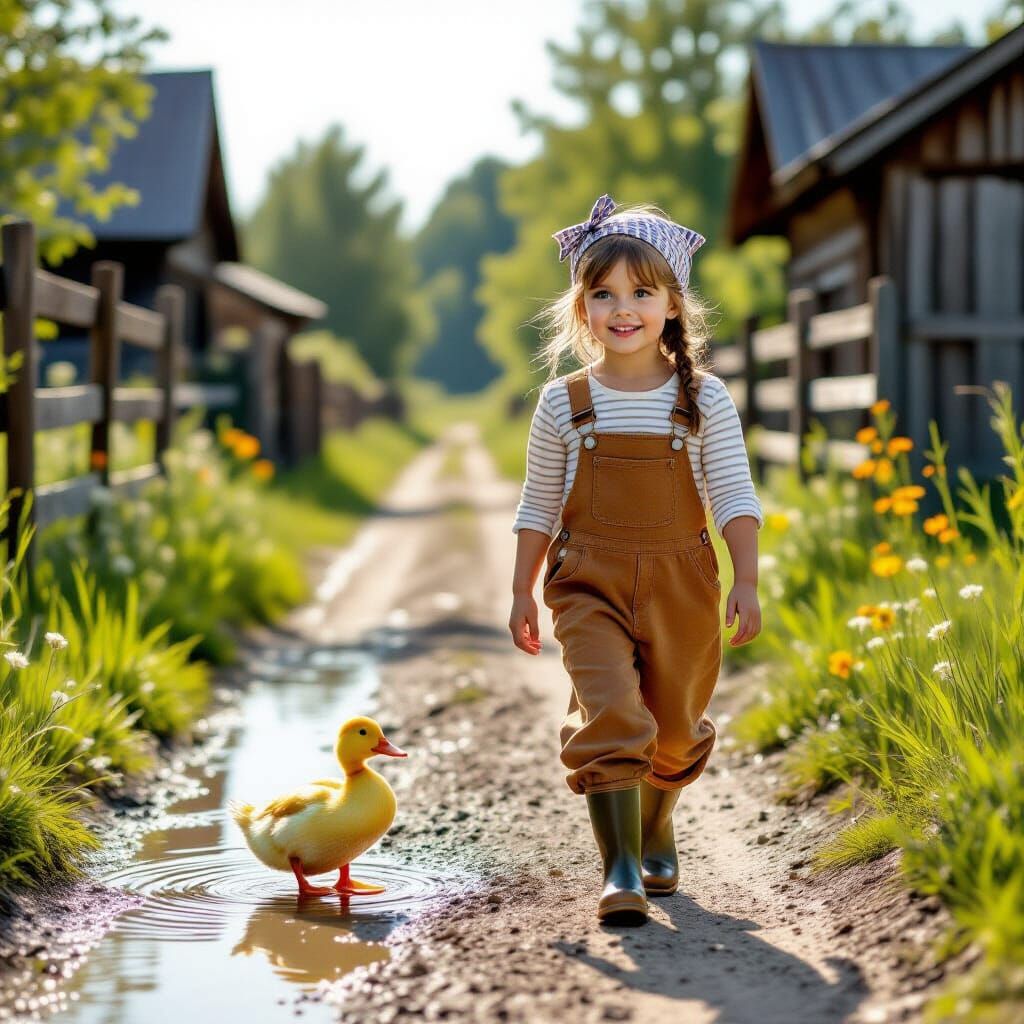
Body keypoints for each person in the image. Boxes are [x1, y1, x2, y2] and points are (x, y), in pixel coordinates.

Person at [508, 194, 763, 925]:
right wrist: (523, 592)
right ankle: (618, 867)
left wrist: (745, 577)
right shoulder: (564, 403)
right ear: (581, 308)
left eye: (642, 293)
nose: (624, 308)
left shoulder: (703, 400)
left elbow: (736, 494)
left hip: (684, 582)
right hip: (589, 580)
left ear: (674, 304)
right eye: (604, 294)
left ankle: (655, 824)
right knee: (613, 713)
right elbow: (537, 505)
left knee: (675, 727)